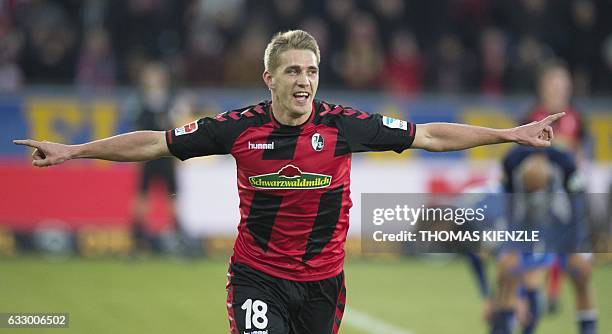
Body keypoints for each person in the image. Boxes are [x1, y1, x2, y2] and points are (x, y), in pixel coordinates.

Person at [14, 30, 564, 334]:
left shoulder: (345, 125)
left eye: (312, 71)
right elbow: (155, 142)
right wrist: (76, 150)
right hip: (258, 278)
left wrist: (509, 134)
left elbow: (432, 137)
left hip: (325, 284)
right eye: (294, 71)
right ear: (270, 78)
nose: (304, 81)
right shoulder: (236, 129)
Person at [488, 146, 597, 334]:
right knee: (508, 273)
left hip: (562, 222)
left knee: (582, 276)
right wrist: (511, 246)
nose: (534, 196)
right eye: (530, 190)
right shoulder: (511, 162)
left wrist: (576, 247)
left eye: (538, 190)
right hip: (523, 223)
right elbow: (509, 209)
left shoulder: (565, 164)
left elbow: (578, 210)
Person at [128, 61, 180, 253]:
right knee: (143, 196)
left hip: (167, 155)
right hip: (148, 155)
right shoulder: (140, 102)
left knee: (172, 197)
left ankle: (178, 237)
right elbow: (136, 130)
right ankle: (138, 238)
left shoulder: (171, 101)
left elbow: (178, 128)